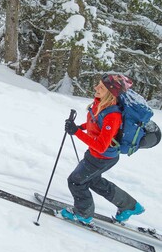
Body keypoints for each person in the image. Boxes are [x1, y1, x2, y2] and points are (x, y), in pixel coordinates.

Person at [62, 73, 145, 224]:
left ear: (110, 93)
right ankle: (129, 206)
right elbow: (96, 123)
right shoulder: (101, 105)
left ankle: (83, 214)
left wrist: (77, 132)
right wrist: (80, 127)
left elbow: (101, 145)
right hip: (99, 156)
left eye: (101, 87)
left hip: (102, 157)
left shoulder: (113, 115)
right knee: (93, 181)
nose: (96, 87)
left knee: (76, 182)